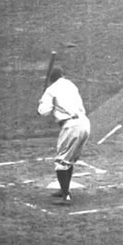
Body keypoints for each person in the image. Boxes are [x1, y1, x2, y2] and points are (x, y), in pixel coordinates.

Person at [38, 68, 91, 204]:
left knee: (61, 162)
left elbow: (44, 112)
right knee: (69, 159)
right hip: (84, 124)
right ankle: (64, 190)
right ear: (62, 76)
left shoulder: (50, 90)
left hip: (71, 127)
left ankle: (66, 196)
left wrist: (40, 104)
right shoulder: (70, 84)